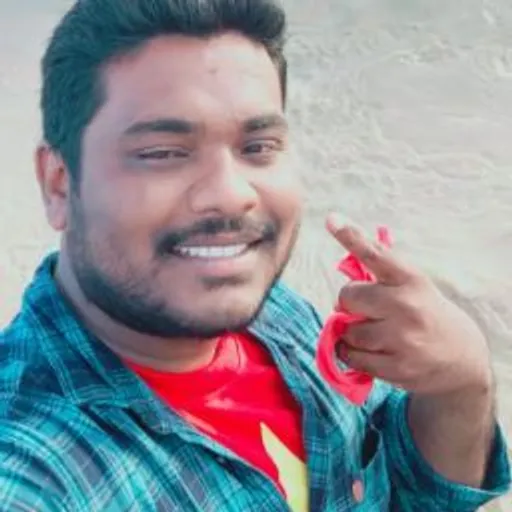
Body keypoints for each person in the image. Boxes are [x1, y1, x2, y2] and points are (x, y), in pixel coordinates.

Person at [0, 0, 510, 510]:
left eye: (258, 147)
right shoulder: (34, 477)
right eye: (163, 153)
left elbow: (409, 494)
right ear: (59, 184)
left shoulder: (276, 314)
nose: (231, 194)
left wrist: (459, 383)